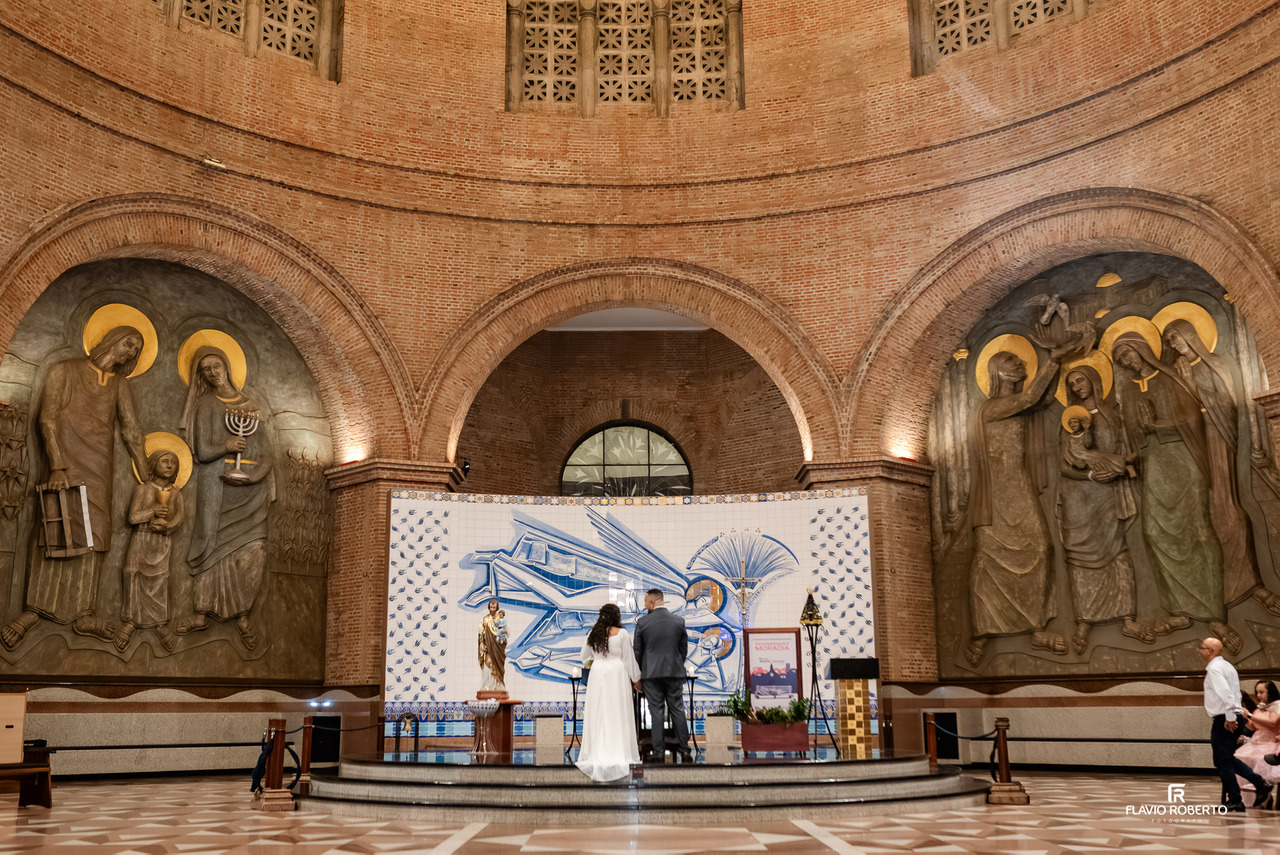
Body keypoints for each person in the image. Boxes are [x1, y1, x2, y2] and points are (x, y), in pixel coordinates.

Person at [2, 326, 150, 650]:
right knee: (55, 532)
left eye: (137, 350)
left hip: (100, 470)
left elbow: (131, 430)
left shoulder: (118, 385)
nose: (131, 352)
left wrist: (145, 469)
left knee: (94, 536)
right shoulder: (64, 371)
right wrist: (57, 464)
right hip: (65, 466)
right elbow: (48, 418)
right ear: (111, 338)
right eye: (128, 343)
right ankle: (32, 612)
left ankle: (83, 613)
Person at [1113, 334, 1237, 651]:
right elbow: (1130, 431)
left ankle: (1214, 613)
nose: (1126, 360)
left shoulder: (1169, 376)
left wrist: (1158, 425)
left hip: (1183, 458)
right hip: (1153, 460)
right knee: (1155, 533)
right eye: (1120, 358)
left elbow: (1192, 418)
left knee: (1198, 531)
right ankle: (1179, 610)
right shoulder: (1127, 390)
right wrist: (1136, 439)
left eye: (1127, 352)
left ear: (1142, 349)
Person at [1165, 319, 1280, 615]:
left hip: (1220, 442)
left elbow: (1229, 405)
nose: (1174, 345)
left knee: (1228, 511)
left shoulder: (1213, 364)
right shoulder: (1181, 370)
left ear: (1191, 336)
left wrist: (1193, 386)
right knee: (1210, 517)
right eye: (1170, 342)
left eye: (1176, 338)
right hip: (1198, 447)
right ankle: (1226, 590)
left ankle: (1247, 584)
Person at [966, 348, 1065, 666]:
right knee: (989, 562)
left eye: (1020, 360)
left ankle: (1035, 627)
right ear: (998, 372)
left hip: (1018, 486)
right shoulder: (991, 409)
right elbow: (1028, 400)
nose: (1020, 364)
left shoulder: (1018, 406)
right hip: (996, 493)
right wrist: (1054, 359)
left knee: (1042, 549)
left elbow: (1043, 400)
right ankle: (981, 634)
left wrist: (1059, 359)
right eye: (1012, 362)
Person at [176, 346, 275, 650]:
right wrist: (227, 444)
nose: (212, 373)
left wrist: (254, 474)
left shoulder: (251, 406)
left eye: (216, 366)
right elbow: (203, 450)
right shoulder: (206, 404)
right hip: (216, 490)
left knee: (255, 549)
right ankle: (201, 612)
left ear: (227, 367)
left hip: (248, 491)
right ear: (200, 376)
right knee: (212, 548)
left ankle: (243, 614)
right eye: (205, 370)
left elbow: (266, 449)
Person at [1056, 370, 1151, 655]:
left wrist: (1117, 469)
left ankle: (1128, 620)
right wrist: (1090, 478)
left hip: (1108, 494)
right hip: (1079, 496)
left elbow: (1127, 449)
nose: (1076, 386)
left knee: (1117, 551)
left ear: (1094, 381)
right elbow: (1063, 466)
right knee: (1080, 557)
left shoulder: (1112, 415)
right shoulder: (1067, 423)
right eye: (1072, 383)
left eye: (1080, 380)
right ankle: (1084, 622)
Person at [114, 449, 184, 653]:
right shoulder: (143, 489)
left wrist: (168, 526)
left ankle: (160, 625)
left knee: (161, 581)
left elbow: (180, 518)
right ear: (154, 464)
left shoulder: (176, 493)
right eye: (165, 461)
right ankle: (130, 623)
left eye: (173, 462)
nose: (170, 465)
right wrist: (152, 511)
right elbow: (133, 517)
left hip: (161, 543)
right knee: (133, 576)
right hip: (141, 539)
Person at [574, 602, 641, 782]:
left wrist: (598, 658)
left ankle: (597, 751)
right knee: (616, 712)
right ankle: (617, 750)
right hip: (616, 674)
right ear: (616, 616)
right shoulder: (622, 634)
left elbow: (583, 656)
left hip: (598, 673)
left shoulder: (594, 634)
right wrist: (637, 679)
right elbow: (628, 659)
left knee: (599, 713)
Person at [1202, 637, 1270, 811]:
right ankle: (1258, 783)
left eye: (1203, 648)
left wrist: (1230, 717)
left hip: (1225, 718)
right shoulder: (1227, 666)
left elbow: (1226, 694)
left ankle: (1236, 800)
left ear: (1211, 651)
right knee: (1226, 759)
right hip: (1231, 715)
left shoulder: (1215, 669)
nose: (1200, 651)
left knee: (1223, 761)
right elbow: (1235, 693)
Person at [633, 588, 692, 763]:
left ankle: (658, 751)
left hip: (651, 674)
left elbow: (637, 651)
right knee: (677, 709)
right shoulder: (678, 621)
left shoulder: (642, 623)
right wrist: (675, 663)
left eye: (645, 602)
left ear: (652, 602)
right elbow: (683, 649)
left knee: (656, 711)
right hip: (674, 672)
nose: (644, 606)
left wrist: (643, 671)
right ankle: (685, 750)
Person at [1236, 680, 1280, 802]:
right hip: (1256, 742)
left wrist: (1249, 715)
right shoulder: (1260, 708)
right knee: (1238, 758)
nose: (1259, 695)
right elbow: (1250, 727)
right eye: (1257, 692)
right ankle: (1244, 798)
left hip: (1271, 743)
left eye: (1262, 692)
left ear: (1270, 692)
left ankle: (1263, 794)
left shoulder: (1277, 705)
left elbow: (1272, 723)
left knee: (1257, 759)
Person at [478, 598, 508, 693]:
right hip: (488, 648)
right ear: (489, 607)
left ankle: (498, 685)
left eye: (494, 607)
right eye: (491, 607)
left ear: (497, 607)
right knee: (487, 668)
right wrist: (482, 644)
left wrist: (504, 633)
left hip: (497, 648)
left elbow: (507, 631)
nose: (492, 609)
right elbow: (481, 633)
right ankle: (487, 686)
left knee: (498, 667)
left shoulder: (500, 619)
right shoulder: (485, 619)